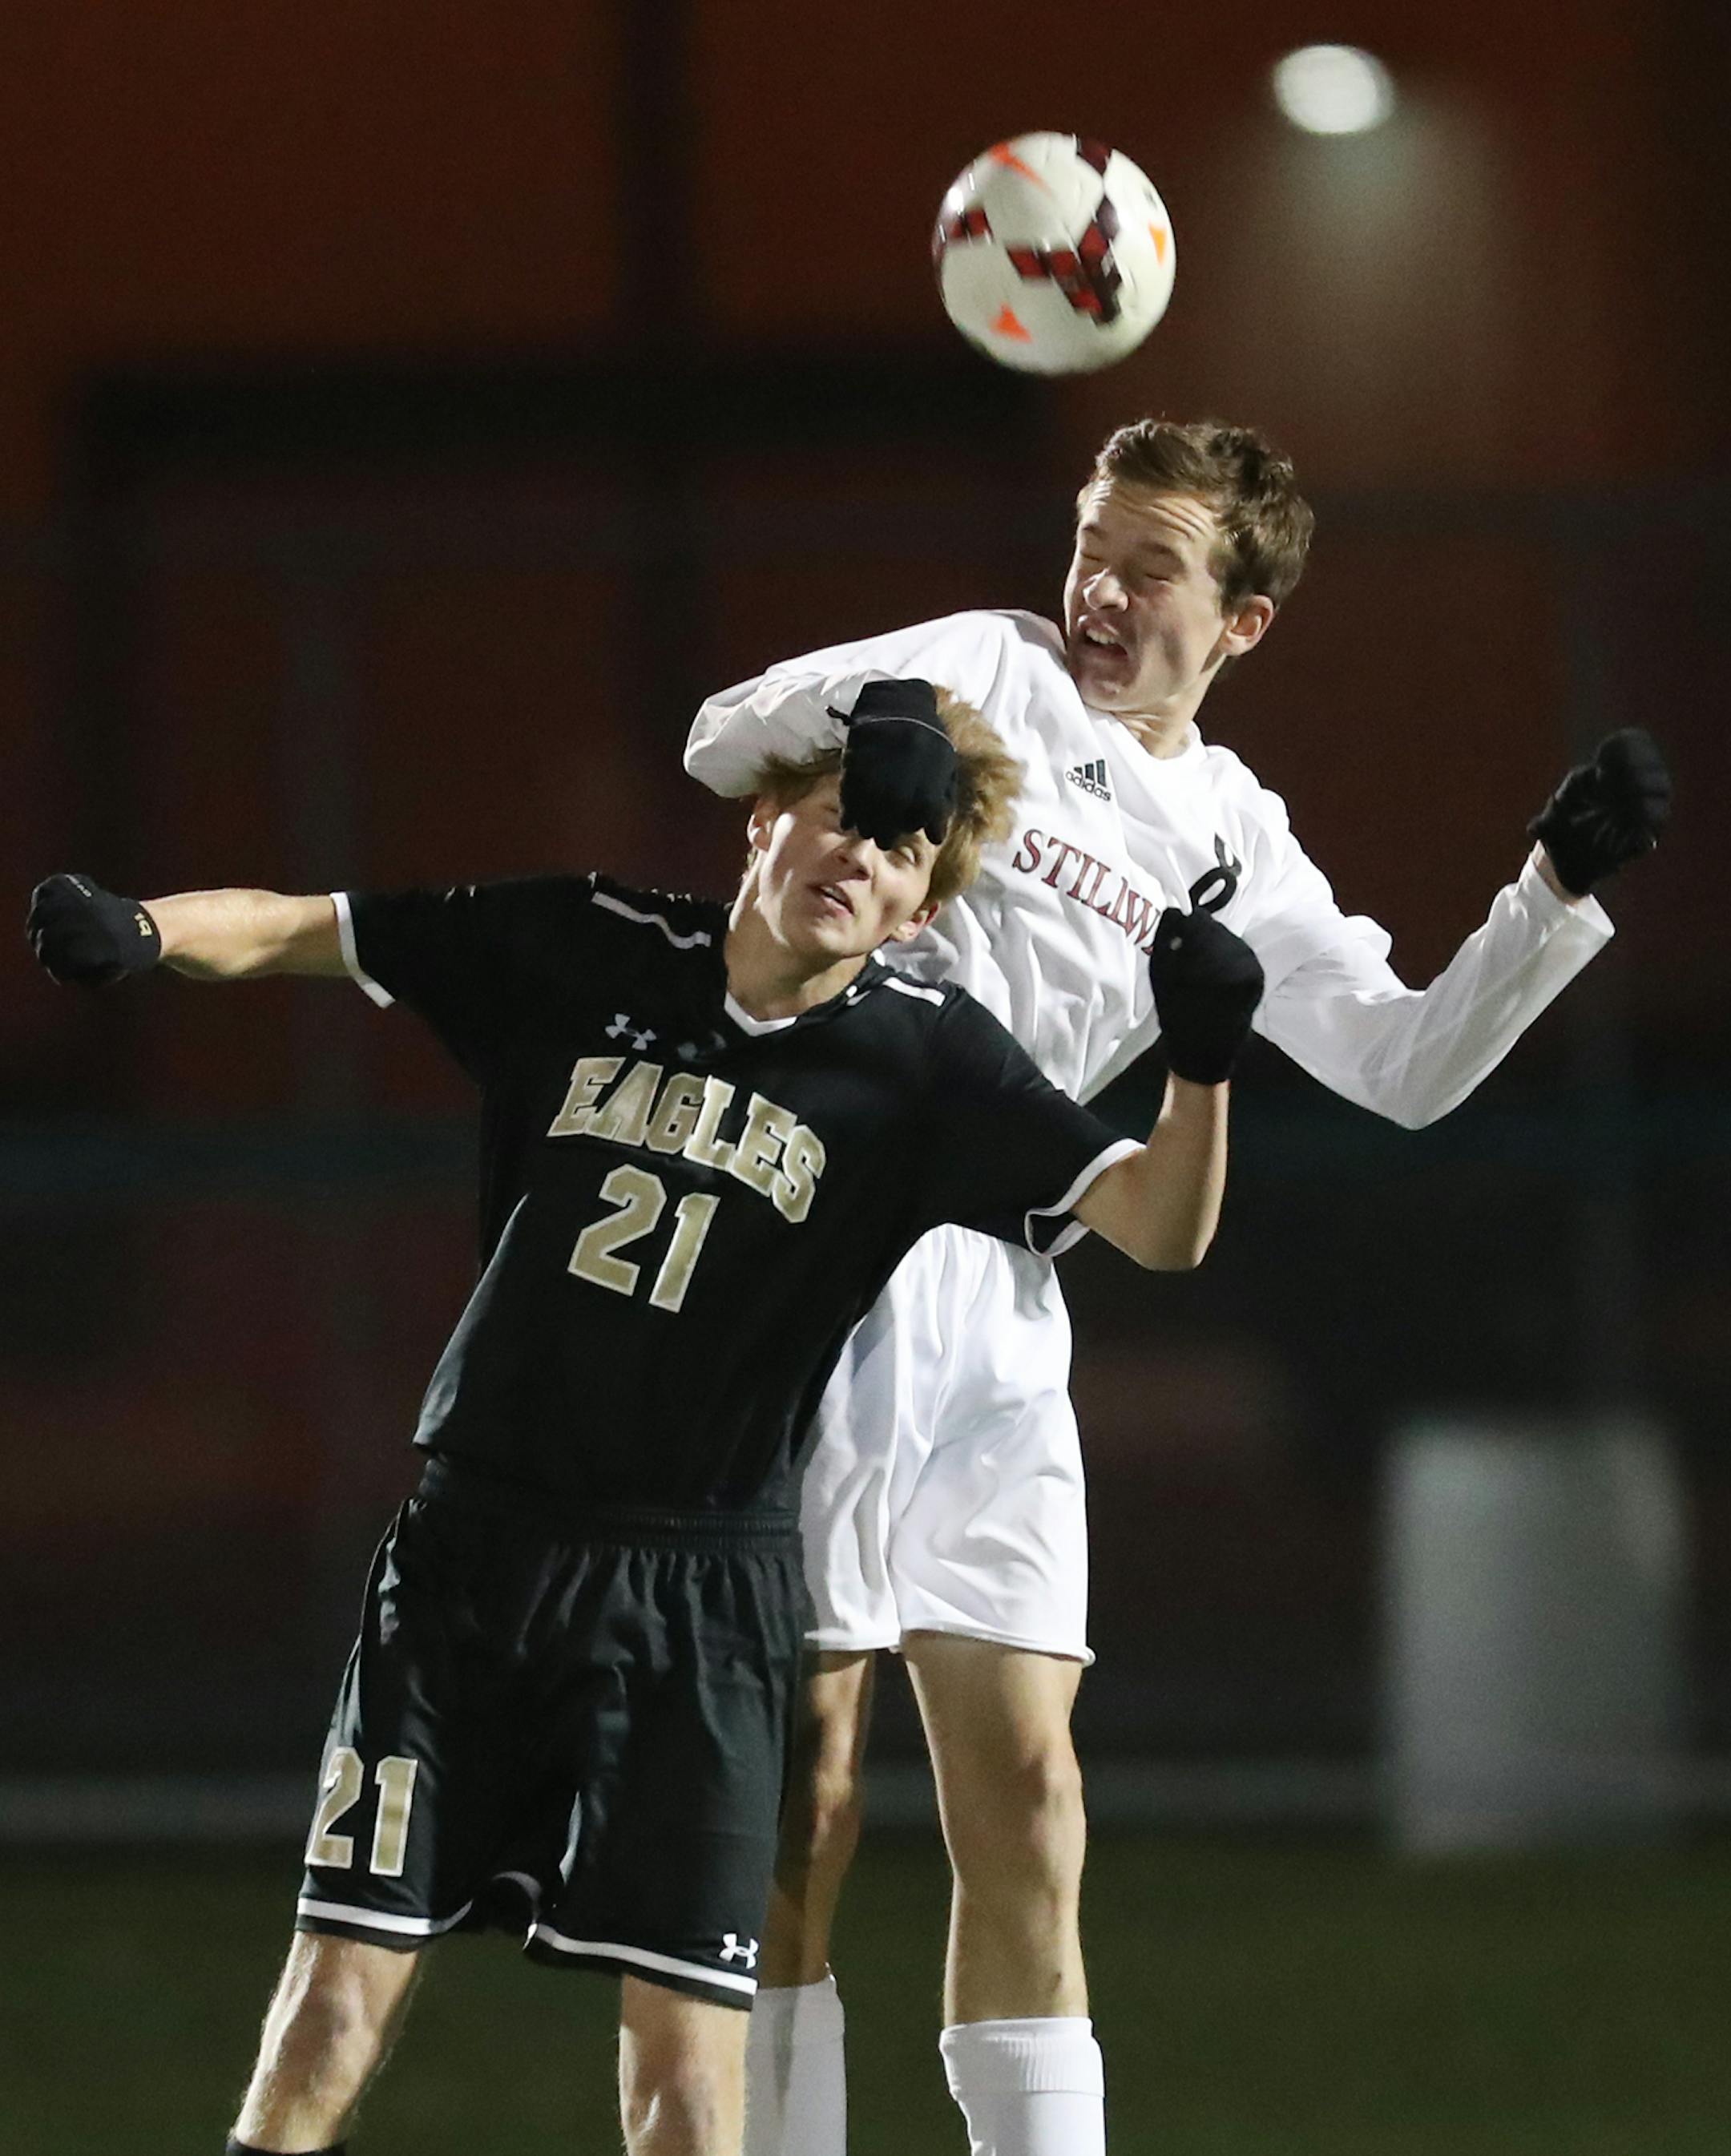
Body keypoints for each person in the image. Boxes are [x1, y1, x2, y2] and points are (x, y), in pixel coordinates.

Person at [26, 683, 1267, 2156]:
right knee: (327, 2018)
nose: (860, 855)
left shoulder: (928, 1060)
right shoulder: (588, 944)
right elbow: (324, 925)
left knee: (684, 2091)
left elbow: (1161, 1226)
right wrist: (149, 931)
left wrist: (1201, 1062)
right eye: (842, 813)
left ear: (923, 899)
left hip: (702, 1606)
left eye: (902, 847)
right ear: (764, 818)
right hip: (470, 1565)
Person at [684, 419, 1672, 2156]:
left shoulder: (1226, 831)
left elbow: (1405, 1061)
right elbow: (718, 737)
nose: (1099, 589)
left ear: (1244, 623)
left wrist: (1552, 893)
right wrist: (869, 727)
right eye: (1092, 544)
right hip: (825, 1259)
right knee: (802, 1804)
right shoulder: (982, 662)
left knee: (1036, 1798)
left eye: (1151, 567)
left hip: (1005, 1313)